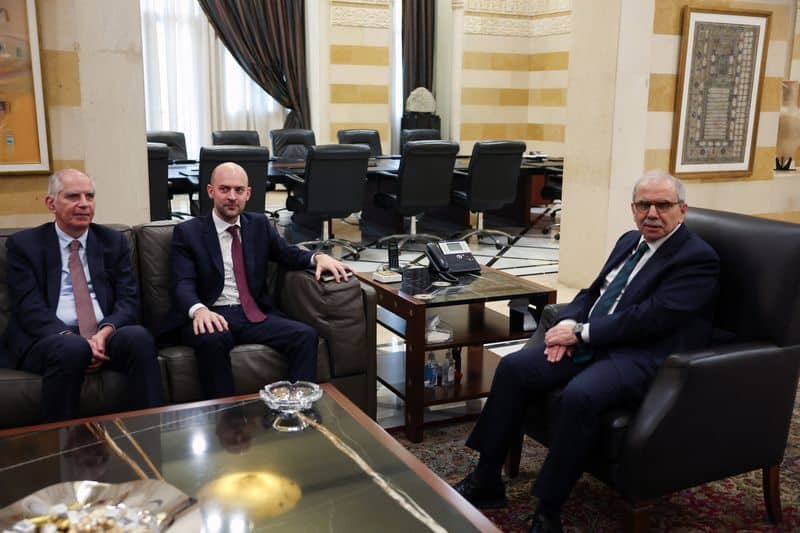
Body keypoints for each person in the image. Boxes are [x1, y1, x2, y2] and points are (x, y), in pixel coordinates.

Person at [453, 170, 720, 532]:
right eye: (644, 205)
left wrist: (580, 334)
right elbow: (592, 293)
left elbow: (651, 318)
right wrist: (567, 324)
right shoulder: (630, 241)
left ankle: (549, 510)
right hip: (594, 339)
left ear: (682, 210)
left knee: (580, 395)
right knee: (515, 367)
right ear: (633, 209)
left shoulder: (697, 258)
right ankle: (486, 480)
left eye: (663, 205)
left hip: (642, 354)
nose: (652, 213)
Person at [167, 162, 351, 399]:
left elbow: (288, 254)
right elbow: (182, 282)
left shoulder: (259, 224)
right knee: (212, 340)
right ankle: (227, 416)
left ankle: (296, 408)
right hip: (213, 313)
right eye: (224, 189)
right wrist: (199, 310)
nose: (232, 197)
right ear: (211, 191)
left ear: (248, 194)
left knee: (305, 335)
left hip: (252, 313)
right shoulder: (188, 232)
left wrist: (318, 257)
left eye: (239, 190)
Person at [4, 169, 164, 422]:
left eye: (89, 196)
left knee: (139, 338)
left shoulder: (112, 241)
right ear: (51, 203)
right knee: (72, 348)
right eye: (73, 196)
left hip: (103, 334)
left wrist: (103, 334)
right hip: (49, 338)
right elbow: (29, 307)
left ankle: (150, 432)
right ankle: (59, 439)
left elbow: (128, 299)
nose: (84, 204)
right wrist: (73, 339)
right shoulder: (25, 245)